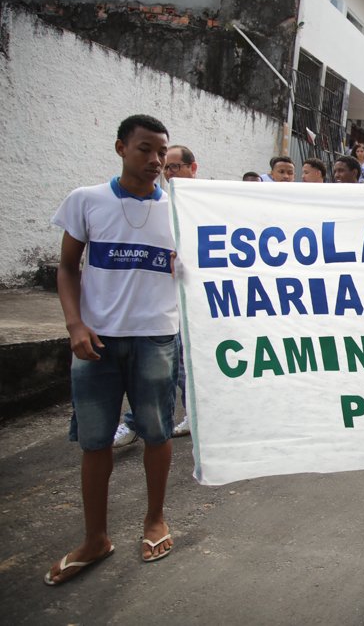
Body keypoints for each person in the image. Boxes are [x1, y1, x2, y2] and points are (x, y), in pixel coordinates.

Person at [46, 115, 178, 586]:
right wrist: (74, 324)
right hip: (97, 341)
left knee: (157, 433)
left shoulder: (180, 211)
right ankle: (95, 538)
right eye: (145, 149)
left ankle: (155, 520)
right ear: (121, 148)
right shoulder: (86, 201)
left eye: (161, 152)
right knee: (95, 441)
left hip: (157, 337)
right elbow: (66, 268)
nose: (155, 160)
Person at [114, 144, 195, 446]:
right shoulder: (154, 205)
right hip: (158, 304)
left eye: (175, 166)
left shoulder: (197, 207)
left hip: (191, 303)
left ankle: (194, 416)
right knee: (161, 370)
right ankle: (137, 422)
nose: (168, 171)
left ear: (192, 168)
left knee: (184, 366)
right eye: (168, 167)